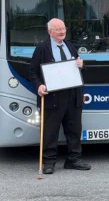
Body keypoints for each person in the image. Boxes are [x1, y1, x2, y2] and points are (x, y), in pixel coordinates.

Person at [29, 18, 91, 174]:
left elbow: (79, 67)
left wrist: (82, 65)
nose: (62, 32)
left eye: (63, 28)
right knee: (50, 131)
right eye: (58, 29)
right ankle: (49, 162)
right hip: (52, 97)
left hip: (73, 95)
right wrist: (39, 86)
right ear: (50, 32)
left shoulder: (70, 46)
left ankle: (74, 159)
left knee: (74, 129)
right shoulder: (42, 49)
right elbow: (32, 72)